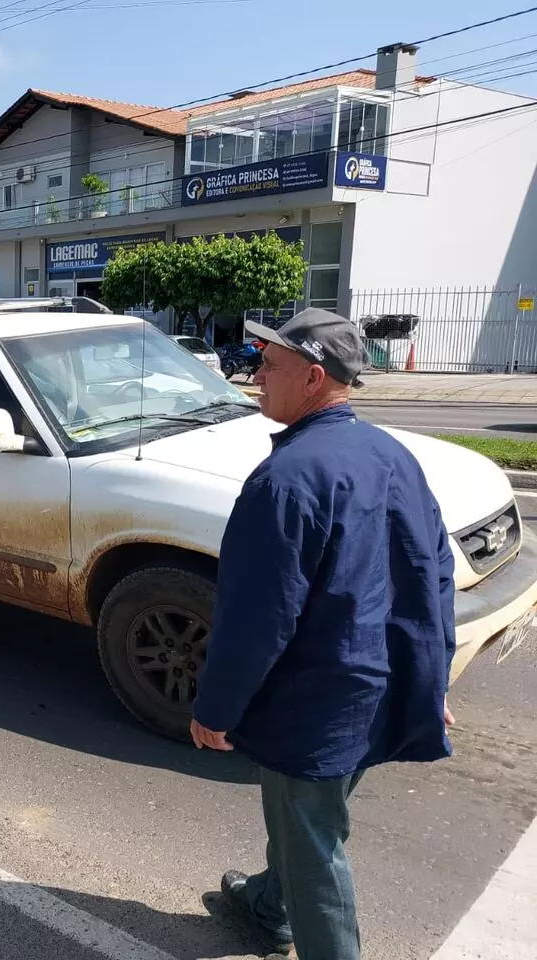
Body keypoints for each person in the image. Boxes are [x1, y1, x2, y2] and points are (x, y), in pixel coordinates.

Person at [191, 308, 455, 959]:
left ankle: (310, 928)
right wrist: (432, 680)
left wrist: (216, 710)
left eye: (270, 366)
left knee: (313, 841)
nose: (255, 377)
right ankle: (267, 900)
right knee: (309, 819)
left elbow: (257, 617)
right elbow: (434, 575)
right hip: (379, 686)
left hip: (317, 702)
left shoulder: (286, 480)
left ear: (313, 378)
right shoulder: (390, 454)